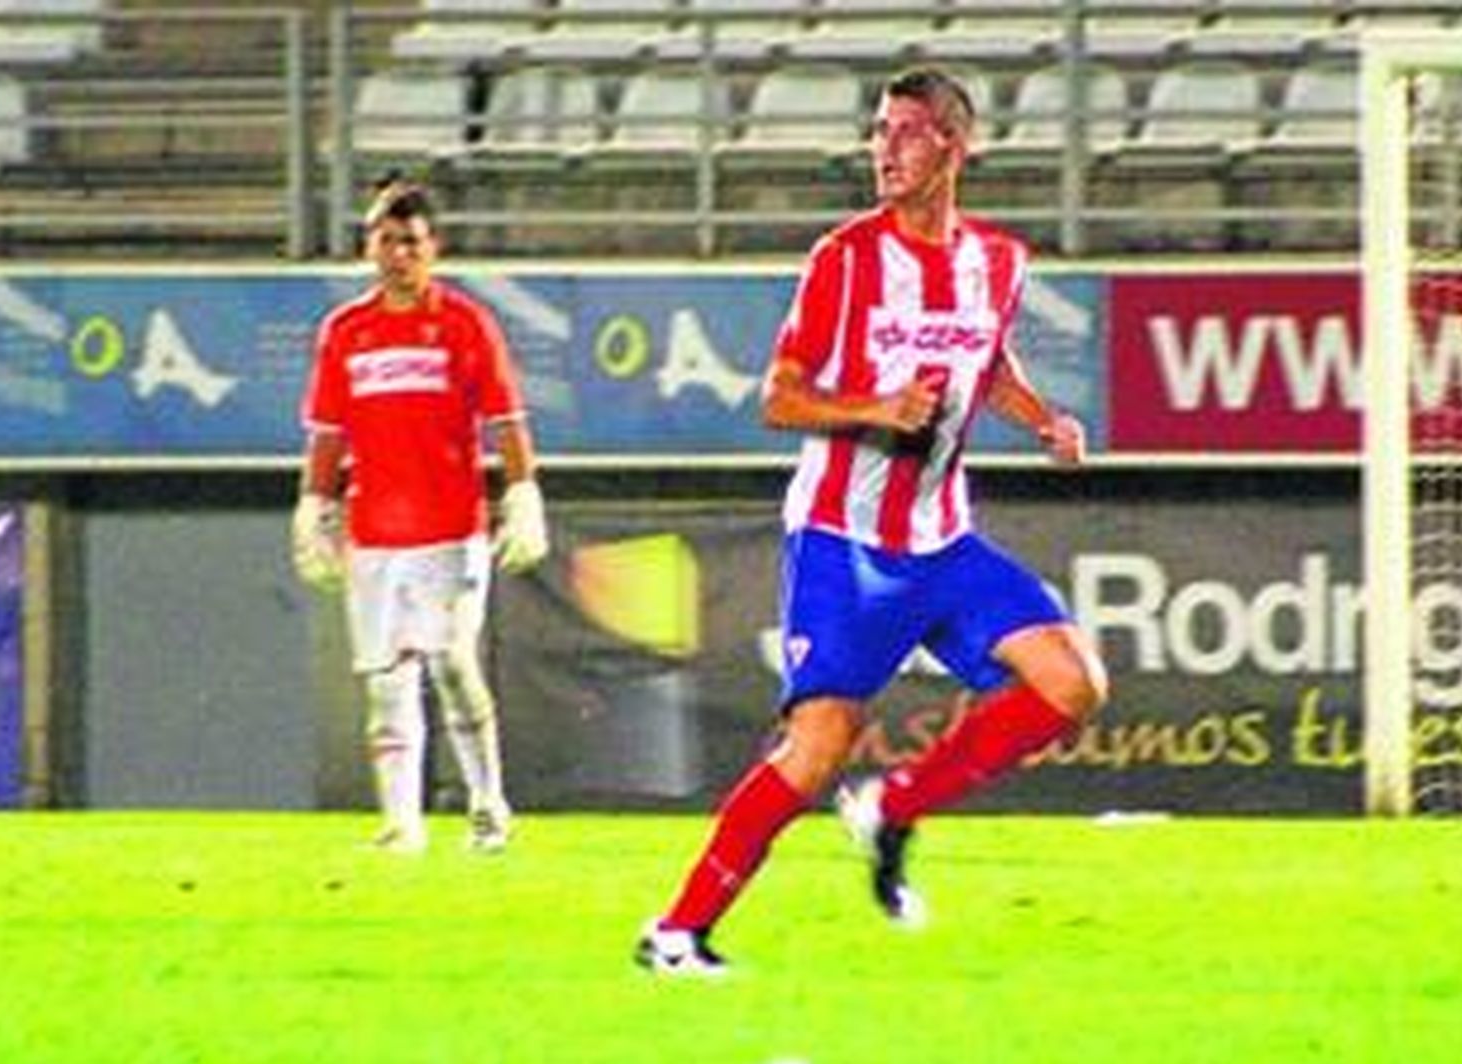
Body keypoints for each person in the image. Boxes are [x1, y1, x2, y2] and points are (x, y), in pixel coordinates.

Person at [635, 67, 1108, 975]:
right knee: (816, 749)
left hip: (942, 538)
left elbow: (983, 359)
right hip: (842, 543)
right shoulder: (845, 260)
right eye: (878, 132)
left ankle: (894, 806)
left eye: (905, 132)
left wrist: (1043, 417)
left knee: (1071, 678)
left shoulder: (998, 264)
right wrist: (875, 409)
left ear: (953, 148)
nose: (883, 149)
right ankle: (678, 931)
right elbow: (777, 399)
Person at [290, 179, 549, 854]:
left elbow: (505, 418)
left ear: (433, 248)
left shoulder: (465, 323)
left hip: (449, 529)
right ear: (368, 246)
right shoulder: (345, 332)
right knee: (386, 680)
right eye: (386, 239)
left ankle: (488, 804)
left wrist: (523, 494)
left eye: (411, 241)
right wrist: (314, 506)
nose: (398, 252)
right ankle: (401, 823)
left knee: (454, 664)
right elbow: (327, 432)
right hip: (373, 534)